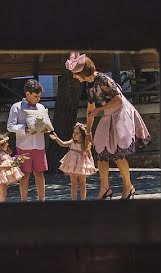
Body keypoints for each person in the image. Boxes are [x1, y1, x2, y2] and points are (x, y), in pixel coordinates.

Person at [65, 52, 151, 200]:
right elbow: (90, 109)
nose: (74, 76)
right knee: (100, 150)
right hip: (108, 114)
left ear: (82, 72)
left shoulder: (103, 80)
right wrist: (89, 133)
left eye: (75, 73)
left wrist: (99, 109)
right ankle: (105, 189)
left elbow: (118, 100)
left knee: (118, 153)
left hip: (121, 112)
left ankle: (128, 186)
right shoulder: (90, 85)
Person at [7, 79, 49, 202]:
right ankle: (24, 202)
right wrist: (24, 129)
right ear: (27, 94)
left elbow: (45, 122)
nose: (38, 99)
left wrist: (45, 128)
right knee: (24, 175)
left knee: (40, 174)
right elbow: (10, 126)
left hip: (39, 145)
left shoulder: (41, 107)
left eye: (39, 96)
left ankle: (42, 201)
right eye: (36, 96)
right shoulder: (16, 107)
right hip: (24, 146)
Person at [49, 123, 96, 200]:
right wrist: (56, 138)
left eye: (77, 133)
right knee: (73, 184)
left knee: (82, 184)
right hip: (72, 165)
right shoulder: (72, 142)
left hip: (82, 165)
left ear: (82, 134)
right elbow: (63, 144)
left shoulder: (85, 144)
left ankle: (83, 200)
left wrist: (92, 165)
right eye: (74, 132)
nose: (74, 134)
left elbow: (90, 155)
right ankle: (74, 200)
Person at [0, 132, 26, 203]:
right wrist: (5, 167)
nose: (7, 144)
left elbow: (9, 159)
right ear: (0, 146)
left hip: (3, 174)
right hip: (0, 175)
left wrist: (18, 160)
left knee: (4, 191)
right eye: (6, 143)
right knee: (2, 192)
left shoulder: (3, 153)